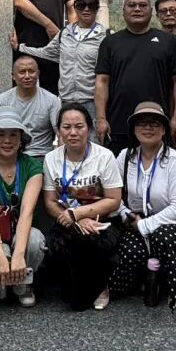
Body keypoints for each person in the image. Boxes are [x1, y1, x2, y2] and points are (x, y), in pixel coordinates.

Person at [108, 102, 176, 309]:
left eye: (155, 123)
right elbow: (112, 195)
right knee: (130, 255)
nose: (148, 128)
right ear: (134, 129)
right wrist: (127, 214)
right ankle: (147, 280)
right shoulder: (125, 157)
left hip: (172, 224)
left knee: (164, 237)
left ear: (164, 130)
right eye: (142, 123)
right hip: (134, 220)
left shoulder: (175, 160)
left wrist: (145, 225)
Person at [41, 103, 123, 310]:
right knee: (60, 244)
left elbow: (114, 199)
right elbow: (50, 202)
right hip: (67, 219)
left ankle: (102, 286)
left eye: (79, 126)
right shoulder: (51, 159)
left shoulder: (104, 156)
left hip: (103, 220)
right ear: (59, 130)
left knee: (94, 242)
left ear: (89, 128)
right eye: (66, 127)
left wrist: (78, 213)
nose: (73, 133)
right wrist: (76, 219)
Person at [95, 0, 176, 157]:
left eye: (142, 5)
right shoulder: (110, 43)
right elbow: (102, 81)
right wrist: (101, 118)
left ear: (151, 11)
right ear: (123, 10)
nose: (137, 9)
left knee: (158, 170)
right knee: (120, 170)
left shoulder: (169, 42)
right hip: (118, 124)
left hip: (157, 123)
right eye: (132, 5)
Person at [0, 113, 47, 307]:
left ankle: (24, 281)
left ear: (21, 140)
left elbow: (27, 211)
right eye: (0, 134)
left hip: (23, 228)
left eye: (13, 134)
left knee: (35, 242)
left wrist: (19, 255)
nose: (7, 140)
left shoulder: (33, 166)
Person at [13, 0, 107, 124]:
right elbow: (46, 52)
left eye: (91, 5)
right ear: (75, 7)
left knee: (93, 137)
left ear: (97, 8)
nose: (86, 9)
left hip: (92, 102)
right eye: (81, 5)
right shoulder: (64, 33)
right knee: (68, 136)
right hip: (66, 100)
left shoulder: (105, 36)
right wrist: (19, 47)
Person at [0, 55, 61, 159]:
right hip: (10, 156)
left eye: (31, 71)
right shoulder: (2, 100)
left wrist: (60, 160)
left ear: (38, 74)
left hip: (41, 155)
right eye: (22, 72)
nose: (27, 76)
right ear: (13, 75)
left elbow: (61, 134)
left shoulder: (51, 100)